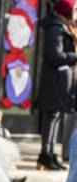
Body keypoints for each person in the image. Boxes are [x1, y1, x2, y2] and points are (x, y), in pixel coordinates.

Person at [35, 0, 77, 170]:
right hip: (54, 81)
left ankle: (51, 154)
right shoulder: (55, 28)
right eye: (74, 9)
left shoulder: (63, 26)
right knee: (51, 117)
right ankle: (45, 154)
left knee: (56, 117)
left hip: (60, 81)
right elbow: (54, 55)